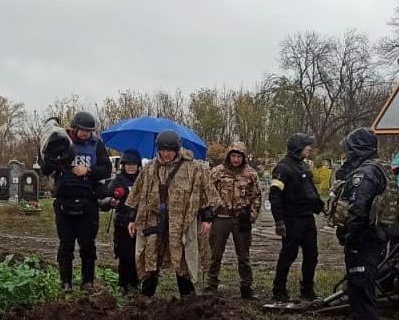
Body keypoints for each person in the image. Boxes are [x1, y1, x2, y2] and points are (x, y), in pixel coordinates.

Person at [126, 129, 211, 297]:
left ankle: (188, 298)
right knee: (151, 255)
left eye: (169, 150)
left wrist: (207, 218)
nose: (165, 154)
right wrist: (132, 218)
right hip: (153, 220)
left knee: (181, 257)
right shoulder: (149, 168)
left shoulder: (193, 169)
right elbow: (136, 193)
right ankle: (146, 297)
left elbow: (205, 194)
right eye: (162, 150)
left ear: (177, 150)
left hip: (180, 221)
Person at [39, 111, 112, 290]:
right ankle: (66, 282)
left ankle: (87, 282)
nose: (87, 134)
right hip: (65, 200)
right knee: (66, 245)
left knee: (88, 245)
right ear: (73, 129)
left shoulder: (97, 145)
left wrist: (88, 170)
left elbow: (107, 169)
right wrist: (55, 160)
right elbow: (45, 169)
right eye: (83, 131)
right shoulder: (59, 141)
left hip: (88, 201)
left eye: (90, 131)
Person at [333, 128, 388, 320]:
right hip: (372, 239)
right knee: (356, 293)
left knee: (363, 296)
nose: (346, 154)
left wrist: (348, 235)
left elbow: (358, 209)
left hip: (363, 241)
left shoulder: (365, 173)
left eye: (349, 149)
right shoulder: (378, 167)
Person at [270, 133, 325, 302]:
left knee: (312, 255)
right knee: (288, 254)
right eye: (307, 146)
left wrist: (320, 207)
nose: (309, 148)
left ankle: (307, 289)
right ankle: (279, 290)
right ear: (298, 147)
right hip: (291, 219)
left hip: (307, 218)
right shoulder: (282, 168)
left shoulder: (304, 167)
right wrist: (279, 221)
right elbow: (275, 196)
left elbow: (310, 191)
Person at [205, 142, 261, 299]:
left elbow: (256, 196)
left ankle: (246, 287)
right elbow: (208, 193)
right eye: (233, 156)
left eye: (239, 156)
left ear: (243, 158)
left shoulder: (251, 174)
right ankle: (211, 285)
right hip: (221, 217)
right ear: (228, 155)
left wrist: (250, 216)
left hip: (241, 218)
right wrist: (210, 213)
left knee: (243, 255)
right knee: (215, 253)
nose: (236, 159)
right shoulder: (217, 172)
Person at [99, 149, 141, 292]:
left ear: (138, 165)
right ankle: (122, 284)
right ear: (123, 165)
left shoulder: (143, 180)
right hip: (122, 224)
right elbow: (103, 198)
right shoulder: (117, 180)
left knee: (137, 256)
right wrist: (110, 201)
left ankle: (135, 284)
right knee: (124, 255)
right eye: (127, 164)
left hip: (139, 223)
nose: (130, 166)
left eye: (133, 164)